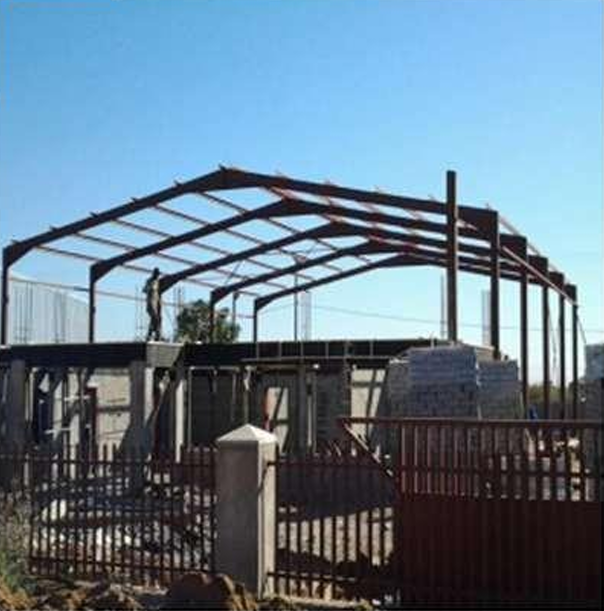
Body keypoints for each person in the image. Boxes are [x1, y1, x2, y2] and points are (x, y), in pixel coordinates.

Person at [143, 267, 162, 341]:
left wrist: (158, 299)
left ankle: (151, 335)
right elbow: (144, 290)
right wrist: (149, 288)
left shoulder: (157, 281)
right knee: (155, 319)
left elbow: (156, 293)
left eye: (158, 275)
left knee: (155, 319)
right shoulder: (149, 281)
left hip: (155, 304)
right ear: (154, 274)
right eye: (156, 274)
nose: (157, 276)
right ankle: (155, 334)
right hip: (150, 303)